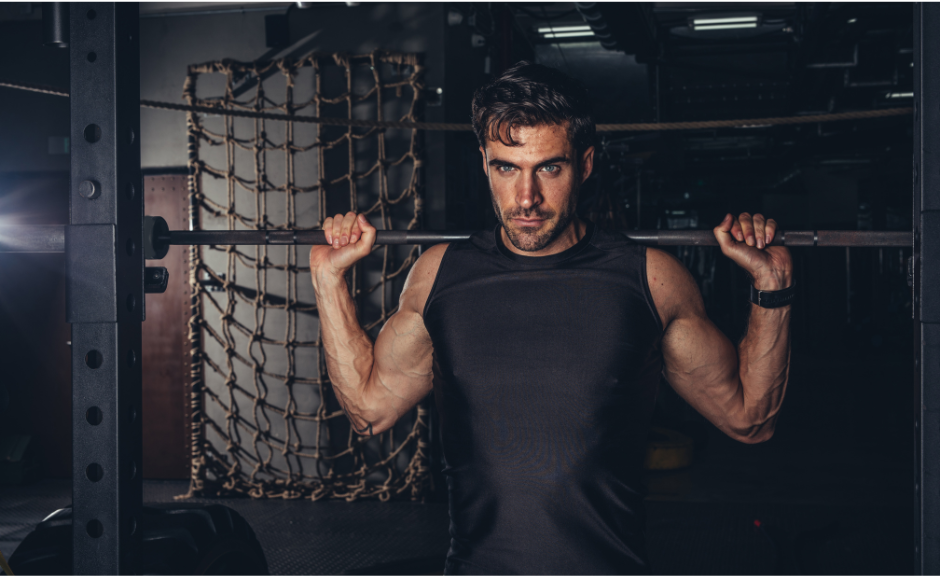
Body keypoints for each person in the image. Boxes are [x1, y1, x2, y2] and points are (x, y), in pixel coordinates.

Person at [309, 61, 793, 575]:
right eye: (506, 168)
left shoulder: (650, 280)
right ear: (484, 163)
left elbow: (751, 420)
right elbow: (368, 409)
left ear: (584, 165)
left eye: (549, 168)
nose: (526, 199)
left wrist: (773, 284)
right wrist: (327, 279)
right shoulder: (438, 277)